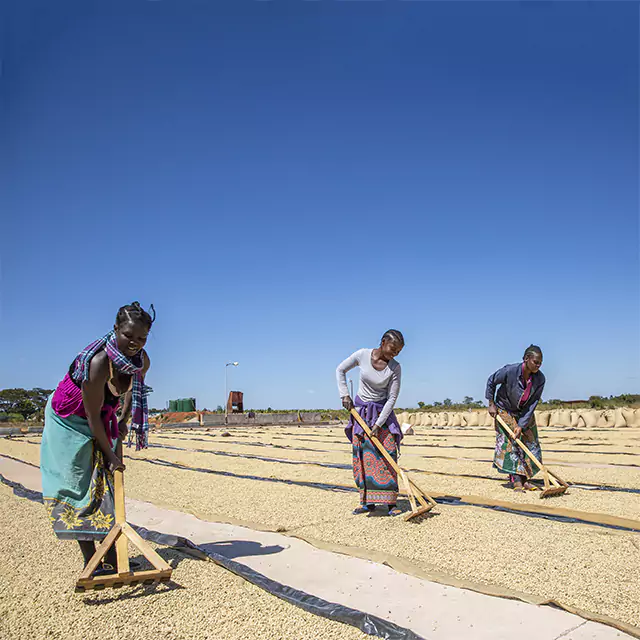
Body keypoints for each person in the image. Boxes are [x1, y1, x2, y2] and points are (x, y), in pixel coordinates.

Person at [40, 302, 154, 575]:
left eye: (141, 338)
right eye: (128, 336)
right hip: (68, 418)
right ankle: (91, 561)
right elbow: (91, 417)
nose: (134, 343)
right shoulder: (98, 362)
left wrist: (124, 421)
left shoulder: (141, 360)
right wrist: (111, 454)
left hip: (102, 415)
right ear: (116, 329)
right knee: (80, 484)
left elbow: (130, 394)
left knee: (106, 486)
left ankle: (113, 558)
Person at [336, 330, 404, 516]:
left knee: (387, 455)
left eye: (398, 351)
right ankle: (366, 502)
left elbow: (391, 398)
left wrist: (378, 424)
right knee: (363, 456)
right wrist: (344, 395)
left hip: (383, 414)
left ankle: (391, 504)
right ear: (383, 342)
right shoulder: (362, 355)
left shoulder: (395, 368)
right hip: (361, 413)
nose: (394, 353)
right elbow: (340, 370)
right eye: (392, 348)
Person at [486, 345, 545, 492]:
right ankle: (516, 479)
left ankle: (526, 479)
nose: (538, 365)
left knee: (531, 441)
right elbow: (491, 381)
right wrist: (491, 404)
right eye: (535, 362)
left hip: (524, 411)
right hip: (504, 408)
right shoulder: (510, 371)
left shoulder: (540, 379)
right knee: (512, 440)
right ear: (526, 359)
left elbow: (533, 403)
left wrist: (522, 424)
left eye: (540, 363)